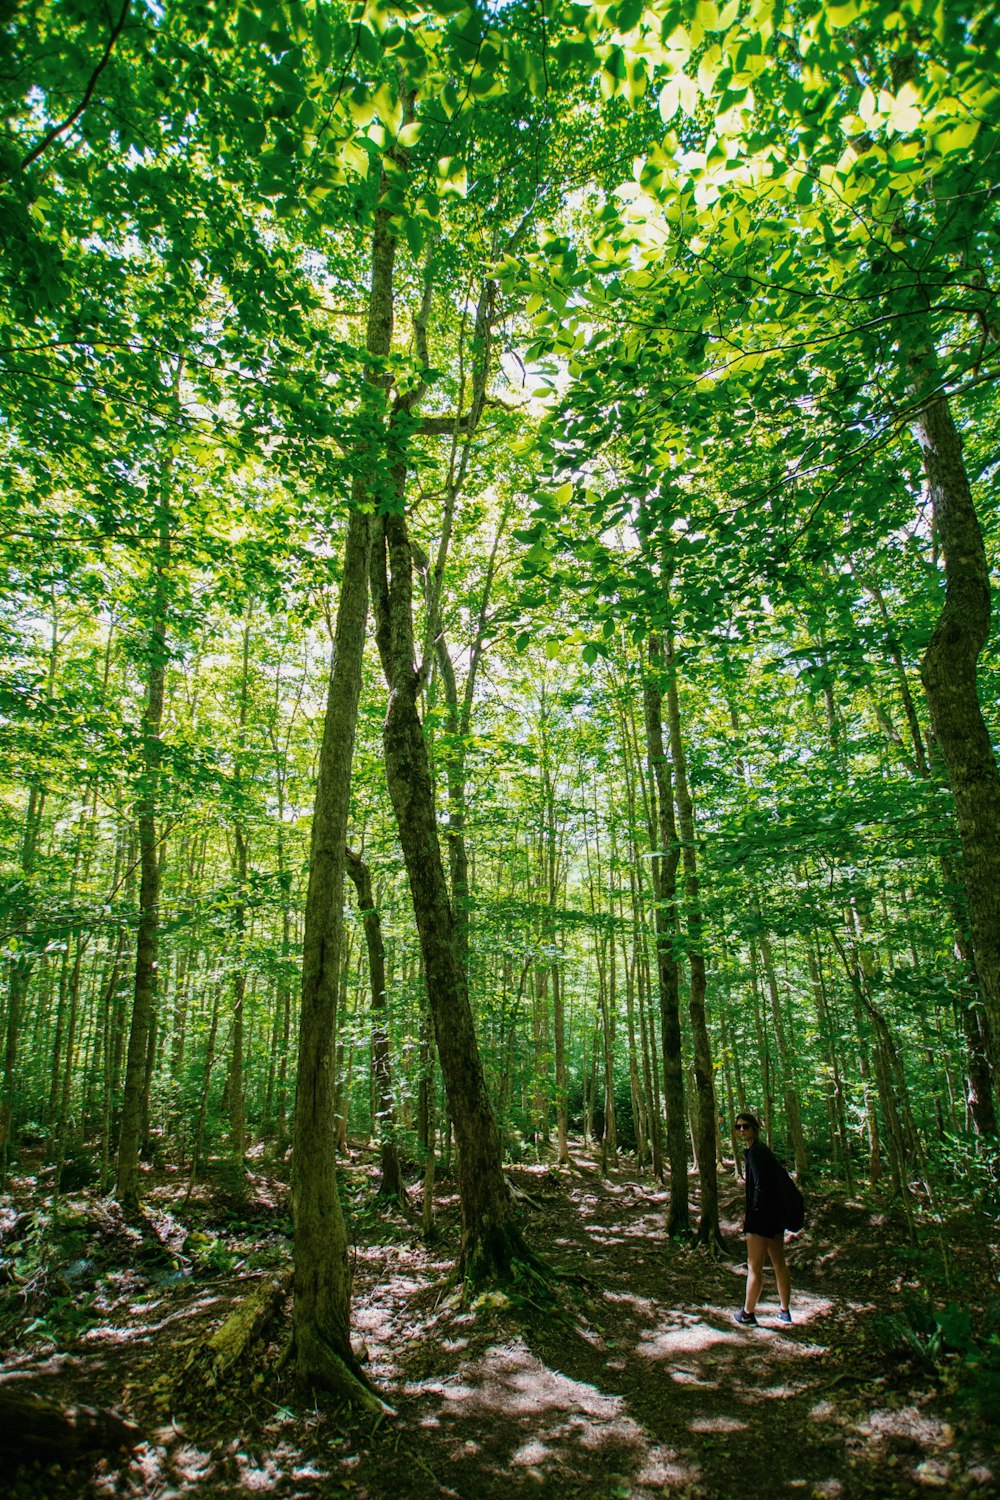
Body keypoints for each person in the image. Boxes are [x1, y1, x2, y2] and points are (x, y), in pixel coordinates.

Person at [733, 1112, 793, 1327]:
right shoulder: (758, 1151)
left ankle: (748, 1314)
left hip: (763, 1219)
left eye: (746, 1126)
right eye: (738, 1127)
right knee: (779, 1264)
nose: (742, 1130)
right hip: (775, 1217)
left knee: (754, 1267)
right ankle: (785, 1311)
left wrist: (754, 1219)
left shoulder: (757, 1153)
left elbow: (761, 1187)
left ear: (754, 1128)